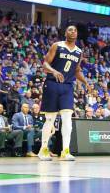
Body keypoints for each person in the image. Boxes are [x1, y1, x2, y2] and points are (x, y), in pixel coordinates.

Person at [38, 25, 89, 161]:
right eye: (70, 30)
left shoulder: (79, 52)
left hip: (67, 86)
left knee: (67, 119)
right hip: (52, 84)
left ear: (77, 34)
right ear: (65, 33)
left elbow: (77, 70)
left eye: (75, 30)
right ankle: (43, 150)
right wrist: (53, 71)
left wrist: (85, 82)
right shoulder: (57, 45)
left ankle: (65, 151)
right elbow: (45, 64)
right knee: (50, 119)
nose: (73, 32)